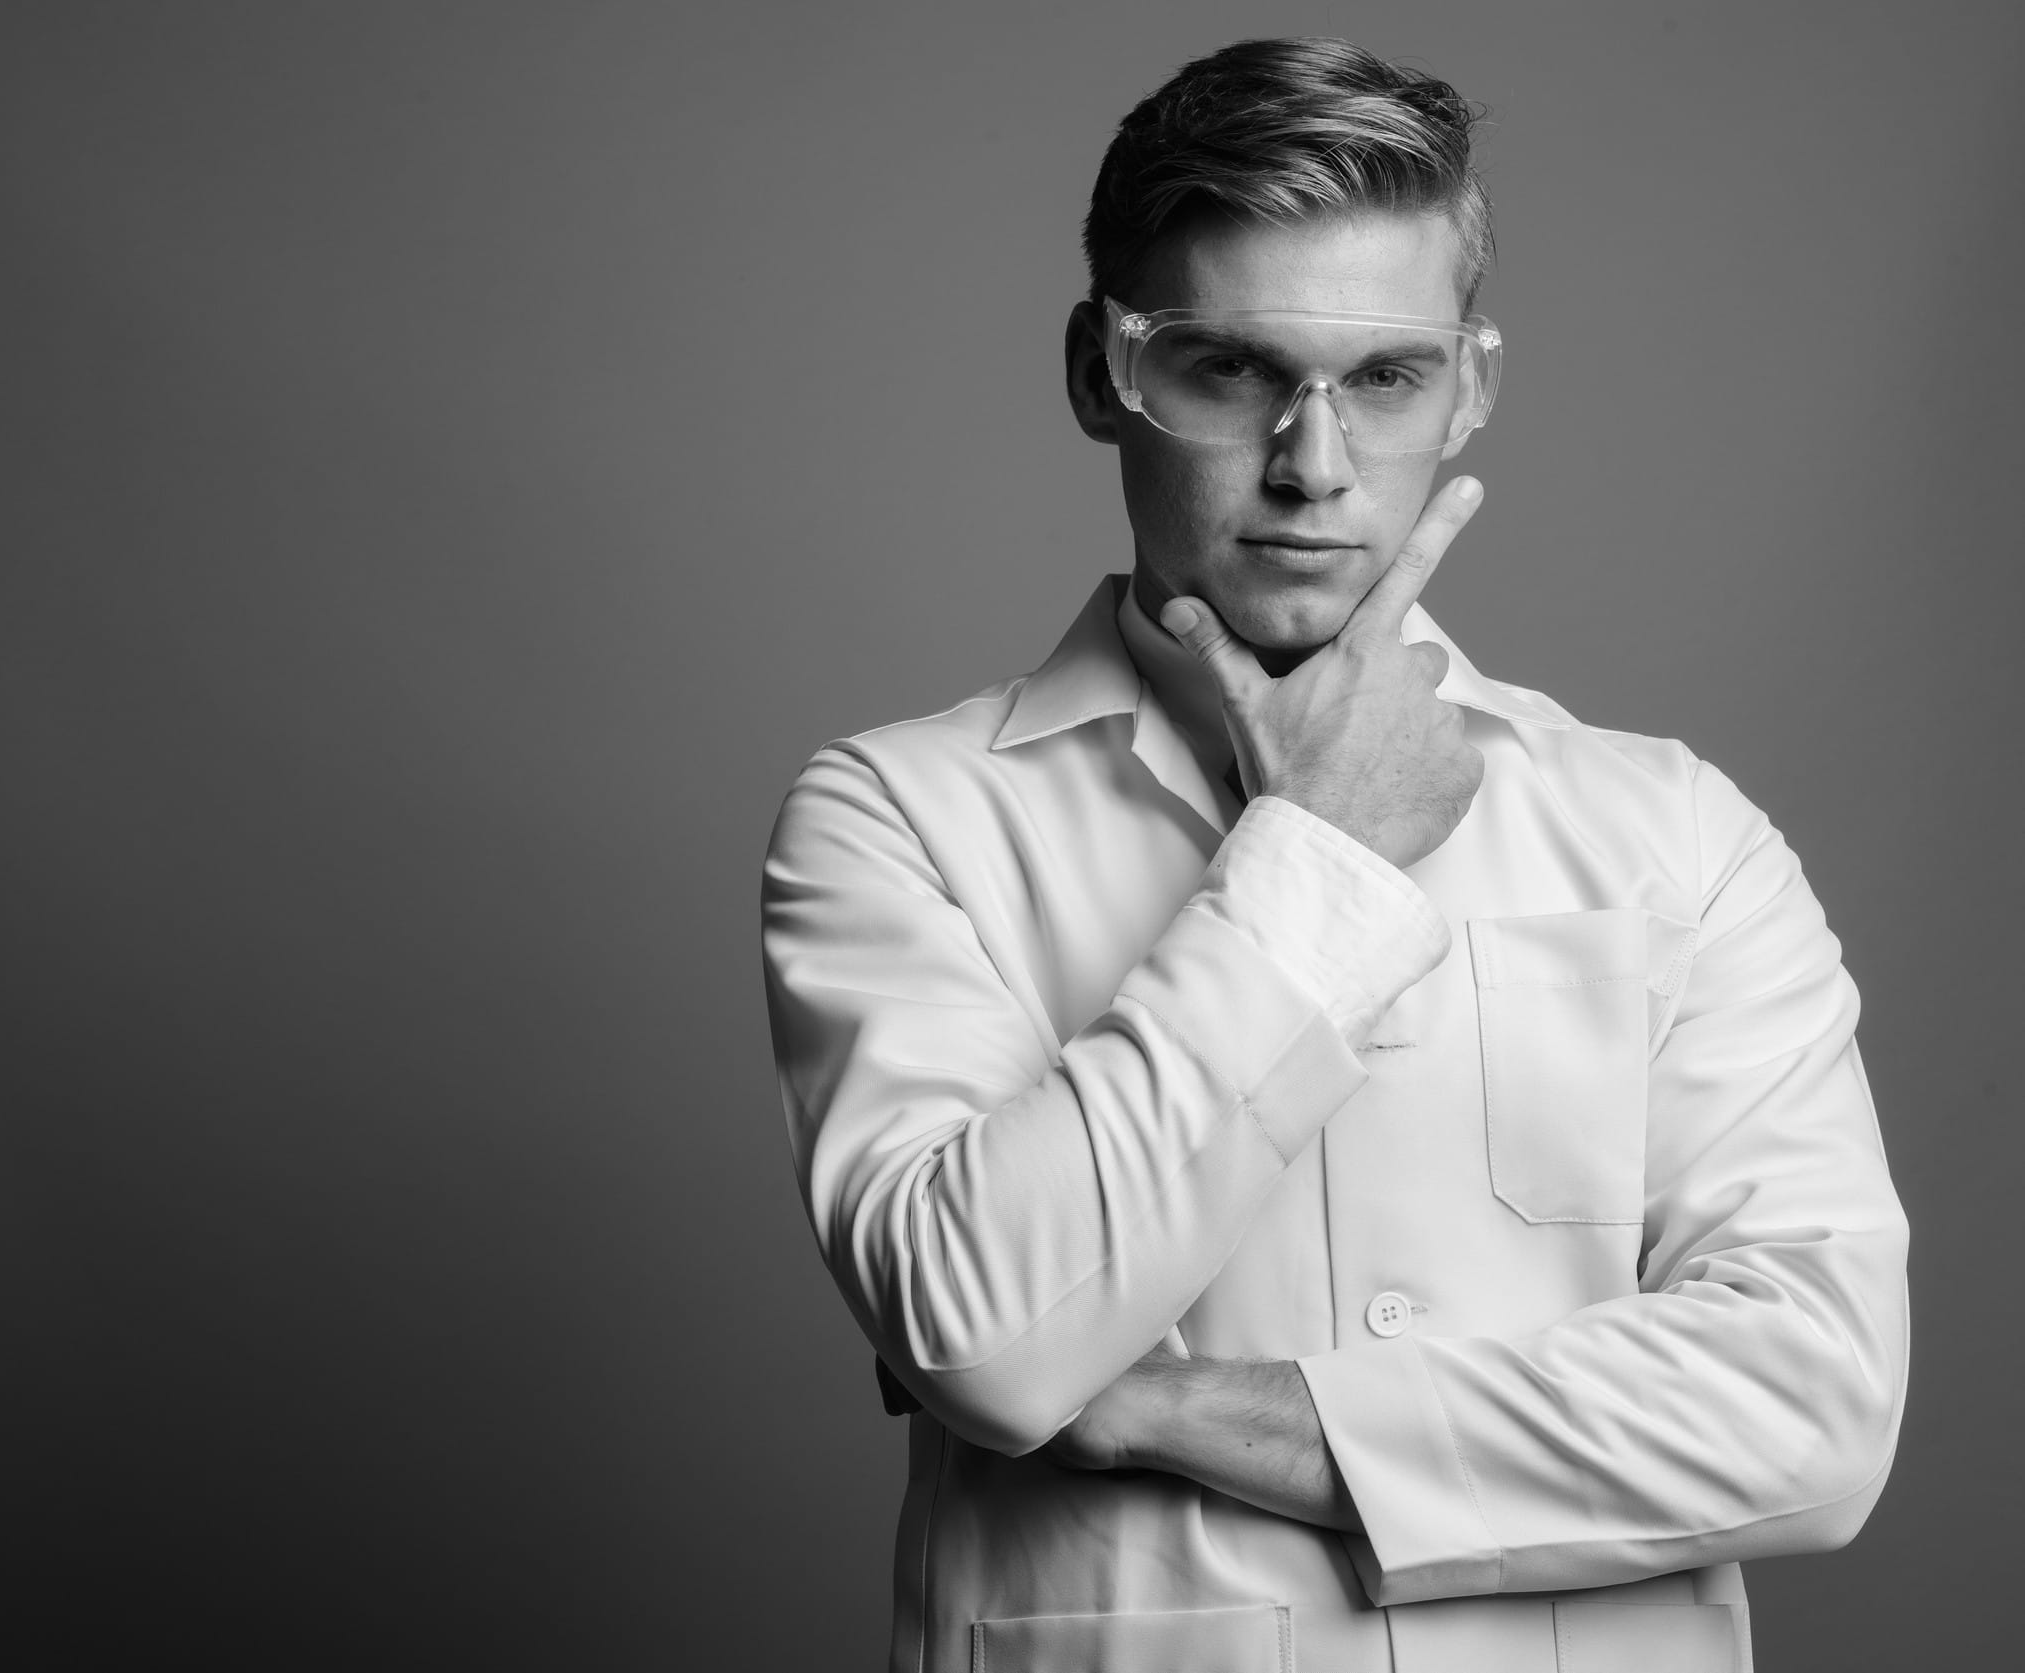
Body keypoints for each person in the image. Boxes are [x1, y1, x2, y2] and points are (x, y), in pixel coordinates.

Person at [759, 37, 1907, 1673]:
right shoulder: (902, 817)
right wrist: (1319, 854)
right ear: (1105, 375)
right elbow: (994, 1340)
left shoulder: (1677, 833)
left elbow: (1817, 1411)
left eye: (1385, 378)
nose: (1313, 463)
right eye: (1230, 369)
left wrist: (1159, 1402)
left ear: (1471, 389)